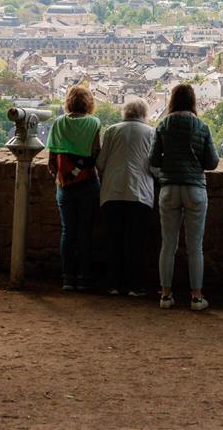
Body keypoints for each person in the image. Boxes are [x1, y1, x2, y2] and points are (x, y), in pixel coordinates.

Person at [149, 84, 218, 311]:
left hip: (169, 188)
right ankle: (196, 297)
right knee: (194, 246)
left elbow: (154, 160)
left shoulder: (163, 125)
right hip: (195, 188)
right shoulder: (201, 126)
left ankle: (166, 295)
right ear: (192, 101)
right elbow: (212, 162)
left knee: (168, 245)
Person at [96, 97, 154, 297]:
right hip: (140, 192)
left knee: (113, 239)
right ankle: (134, 285)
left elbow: (101, 162)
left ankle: (112, 283)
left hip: (112, 191)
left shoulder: (112, 130)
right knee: (135, 242)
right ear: (144, 114)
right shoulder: (151, 133)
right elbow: (154, 166)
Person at [47, 86, 102, 291]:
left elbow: (52, 160)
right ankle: (85, 277)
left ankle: (67, 277)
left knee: (67, 232)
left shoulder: (58, 123)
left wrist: (63, 177)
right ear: (89, 103)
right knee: (85, 232)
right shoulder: (94, 123)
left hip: (65, 186)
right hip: (88, 184)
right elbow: (96, 153)